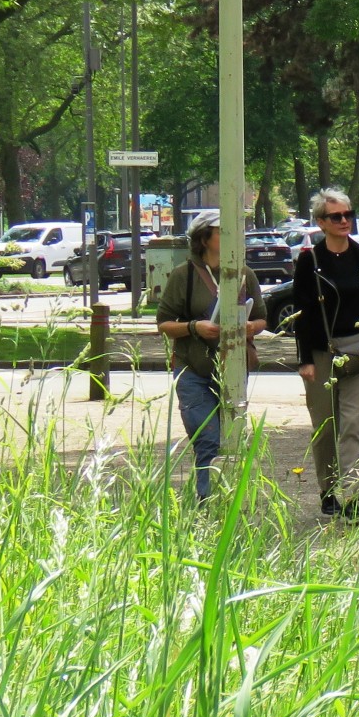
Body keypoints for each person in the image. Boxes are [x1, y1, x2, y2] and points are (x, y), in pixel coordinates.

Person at [294, 188, 359, 519]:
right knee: (325, 426)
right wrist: (305, 359)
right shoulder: (310, 261)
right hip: (324, 352)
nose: (344, 221)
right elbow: (303, 312)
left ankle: (351, 496)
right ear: (321, 222)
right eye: (336, 216)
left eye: (348, 214)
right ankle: (328, 489)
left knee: (354, 424)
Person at [155, 210, 267, 501]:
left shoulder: (244, 273)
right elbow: (164, 323)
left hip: (233, 369)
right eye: (223, 230)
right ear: (204, 238)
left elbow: (262, 320)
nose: (233, 235)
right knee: (207, 439)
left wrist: (248, 327)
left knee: (232, 440)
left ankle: (230, 503)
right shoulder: (185, 275)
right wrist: (195, 327)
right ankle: (208, 505)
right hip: (192, 370)